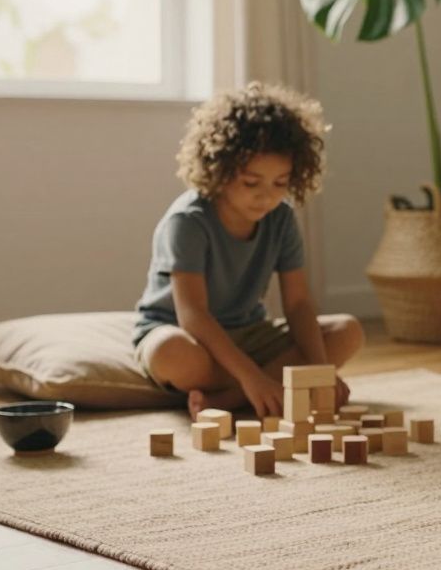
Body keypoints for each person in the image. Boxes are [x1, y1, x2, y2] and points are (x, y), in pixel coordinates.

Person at [132, 82, 364, 420]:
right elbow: (193, 315)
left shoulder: (281, 219)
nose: (266, 196)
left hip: (248, 334)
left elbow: (298, 303)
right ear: (221, 170)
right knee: (172, 354)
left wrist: (318, 371)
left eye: (280, 183)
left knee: (347, 332)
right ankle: (257, 384)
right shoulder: (189, 221)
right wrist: (252, 375)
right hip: (184, 333)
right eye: (251, 183)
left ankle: (231, 396)